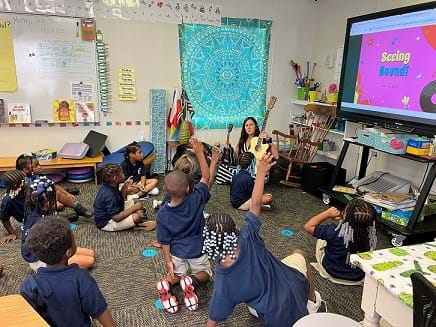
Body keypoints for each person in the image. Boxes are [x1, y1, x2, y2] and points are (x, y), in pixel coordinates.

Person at [204, 153, 321, 327]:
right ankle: (312, 303)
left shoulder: (223, 282)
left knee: (248, 302)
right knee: (300, 253)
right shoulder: (247, 235)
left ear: (210, 244)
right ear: (233, 231)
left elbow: (213, 319)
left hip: (268, 311)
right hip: (290, 282)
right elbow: (256, 204)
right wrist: (260, 173)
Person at [20, 216, 115, 327]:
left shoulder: (28, 286)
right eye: (73, 239)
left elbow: (29, 319)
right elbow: (100, 312)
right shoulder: (81, 279)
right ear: (69, 252)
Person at [156, 139, 212, 314]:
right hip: (197, 249)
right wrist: (201, 154)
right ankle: (191, 282)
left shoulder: (163, 213)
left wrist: (168, 262)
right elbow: (206, 177)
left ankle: (169, 283)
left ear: (165, 188)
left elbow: (165, 241)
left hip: (177, 252)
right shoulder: (197, 199)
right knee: (205, 273)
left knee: (176, 274)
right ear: (188, 188)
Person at [22, 175, 95, 271]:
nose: (56, 199)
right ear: (45, 202)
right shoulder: (38, 221)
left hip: (54, 250)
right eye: (54, 197)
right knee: (90, 261)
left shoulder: (36, 210)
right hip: (45, 259)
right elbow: (45, 247)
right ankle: (47, 270)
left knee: (91, 253)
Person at [304, 198, 377, 283]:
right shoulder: (370, 235)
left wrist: (327, 214)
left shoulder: (334, 231)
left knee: (321, 241)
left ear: (345, 215)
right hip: (358, 277)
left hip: (331, 273)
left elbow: (308, 227)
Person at [16, 154, 93, 219]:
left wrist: (67, 194)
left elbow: (53, 185)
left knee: (59, 195)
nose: (40, 167)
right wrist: (53, 200)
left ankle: (78, 208)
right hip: (35, 209)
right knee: (60, 206)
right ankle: (57, 219)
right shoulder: (24, 184)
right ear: (26, 170)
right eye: (36, 166)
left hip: (45, 200)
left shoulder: (39, 176)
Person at [215, 117, 279, 185]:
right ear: (244, 128)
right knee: (222, 167)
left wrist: (268, 139)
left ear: (256, 126)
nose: (249, 127)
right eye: (246, 125)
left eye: (251, 125)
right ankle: (242, 181)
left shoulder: (262, 139)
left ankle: (238, 180)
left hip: (258, 172)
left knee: (252, 177)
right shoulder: (242, 141)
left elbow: (276, 156)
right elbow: (236, 157)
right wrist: (229, 148)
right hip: (244, 170)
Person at [93, 163, 154, 232]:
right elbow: (116, 218)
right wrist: (134, 208)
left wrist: (124, 188)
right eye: (122, 173)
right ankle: (138, 219)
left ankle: (137, 216)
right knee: (137, 216)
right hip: (107, 223)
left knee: (136, 201)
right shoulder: (109, 195)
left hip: (117, 210)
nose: (124, 174)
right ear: (115, 178)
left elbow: (121, 199)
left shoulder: (111, 185)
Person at [0, 170, 27, 244]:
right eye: (24, 181)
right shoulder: (8, 201)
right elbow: (4, 219)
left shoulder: (25, 188)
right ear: (16, 185)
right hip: (30, 218)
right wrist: (12, 233)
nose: (27, 181)